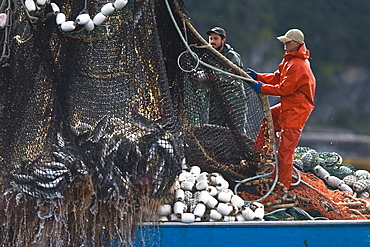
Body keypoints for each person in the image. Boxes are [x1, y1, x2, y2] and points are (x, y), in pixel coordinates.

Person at [247, 29, 316, 189]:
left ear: (297, 43)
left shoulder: (299, 65)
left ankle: (282, 187)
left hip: (297, 112)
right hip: (288, 106)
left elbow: (284, 89)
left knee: (285, 152)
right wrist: (258, 76)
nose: (284, 44)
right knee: (270, 116)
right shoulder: (289, 60)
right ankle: (260, 156)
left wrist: (261, 88)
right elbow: (277, 77)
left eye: (288, 41)